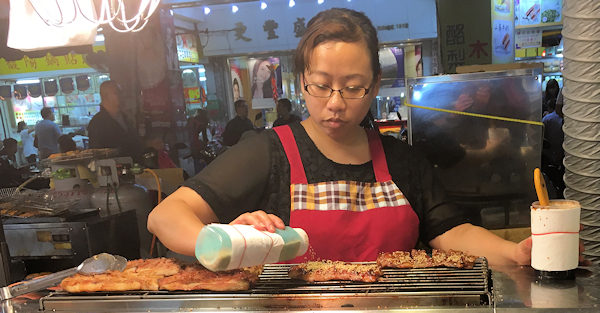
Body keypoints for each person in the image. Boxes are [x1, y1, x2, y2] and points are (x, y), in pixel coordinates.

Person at [148, 8, 534, 266]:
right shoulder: (267, 152)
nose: (335, 104)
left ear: (375, 85)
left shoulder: (401, 159)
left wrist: (516, 253)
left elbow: (450, 232)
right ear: (301, 82)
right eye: (321, 86)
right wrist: (225, 243)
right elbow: (165, 216)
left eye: (353, 88)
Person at [87, 80, 143, 161]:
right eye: (117, 93)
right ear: (106, 96)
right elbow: (97, 153)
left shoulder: (125, 118)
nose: (122, 96)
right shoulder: (97, 123)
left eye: (121, 93)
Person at [542, 98, 565, 197]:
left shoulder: (547, 119)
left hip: (549, 154)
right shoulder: (565, 120)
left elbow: (542, 137)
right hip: (562, 154)